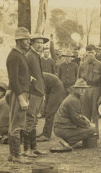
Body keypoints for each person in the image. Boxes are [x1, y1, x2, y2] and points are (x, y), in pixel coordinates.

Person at [5, 28, 32, 164]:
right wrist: (21, 99)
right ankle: (17, 155)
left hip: (21, 92)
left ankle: (12, 154)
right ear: (19, 40)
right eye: (26, 39)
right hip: (19, 94)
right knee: (17, 125)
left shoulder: (19, 54)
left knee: (15, 123)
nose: (28, 41)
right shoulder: (14, 56)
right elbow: (13, 80)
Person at [23, 32, 49, 157]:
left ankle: (34, 148)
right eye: (37, 42)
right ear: (32, 43)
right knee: (30, 119)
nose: (40, 44)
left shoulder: (37, 56)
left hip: (39, 91)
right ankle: (26, 149)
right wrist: (31, 84)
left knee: (35, 120)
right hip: (33, 92)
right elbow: (23, 73)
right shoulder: (29, 55)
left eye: (42, 42)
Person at [53, 79, 99, 148]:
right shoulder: (73, 100)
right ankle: (68, 141)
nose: (83, 90)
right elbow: (76, 119)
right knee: (92, 130)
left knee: (86, 127)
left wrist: (84, 118)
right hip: (63, 128)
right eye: (80, 88)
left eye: (84, 88)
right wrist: (87, 124)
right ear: (75, 89)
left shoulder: (74, 97)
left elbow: (77, 115)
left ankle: (67, 140)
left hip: (62, 127)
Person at [78, 44, 101, 132]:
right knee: (85, 113)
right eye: (89, 52)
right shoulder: (82, 65)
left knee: (95, 113)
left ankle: (94, 135)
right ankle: (86, 134)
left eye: (92, 52)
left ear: (95, 53)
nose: (91, 54)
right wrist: (78, 93)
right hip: (84, 90)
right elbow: (78, 80)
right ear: (86, 53)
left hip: (96, 90)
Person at [37, 72, 65, 142]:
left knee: (50, 112)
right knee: (47, 111)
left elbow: (39, 92)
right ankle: (44, 132)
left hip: (57, 88)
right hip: (49, 89)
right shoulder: (34, 76)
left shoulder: (37, 76)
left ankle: (46, 135)